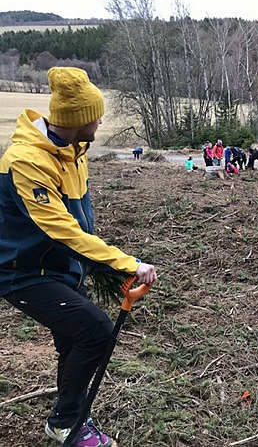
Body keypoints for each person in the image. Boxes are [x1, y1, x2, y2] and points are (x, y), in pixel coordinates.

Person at [0, 67, 157, 447]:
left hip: (61, 266)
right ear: (75, 120)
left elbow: (80, 222)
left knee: (74, 340)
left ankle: (67, 416)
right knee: (96, 331)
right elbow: (62, 230)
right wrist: (125, 263)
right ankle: (68, 422)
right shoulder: (27, 161)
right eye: (95, 115)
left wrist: (95, 267)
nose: (102, 120)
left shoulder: (75, 149)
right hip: (22, 271)